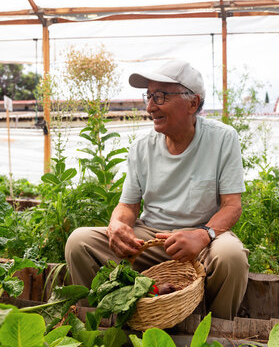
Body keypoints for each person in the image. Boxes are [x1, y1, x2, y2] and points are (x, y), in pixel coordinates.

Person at [65, 59, 249, 320]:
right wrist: (117, 225)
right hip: (150, 240)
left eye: (160, 96)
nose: (151, 107)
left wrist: (203, 234)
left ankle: (214, 332)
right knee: (79, 243)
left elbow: (232, 206)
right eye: (149, 96)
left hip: (204, 238)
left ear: (193, 103)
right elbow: (128, 206)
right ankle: (101, 325)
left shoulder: (222, 138)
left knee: (230, 256)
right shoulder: (142, 145)